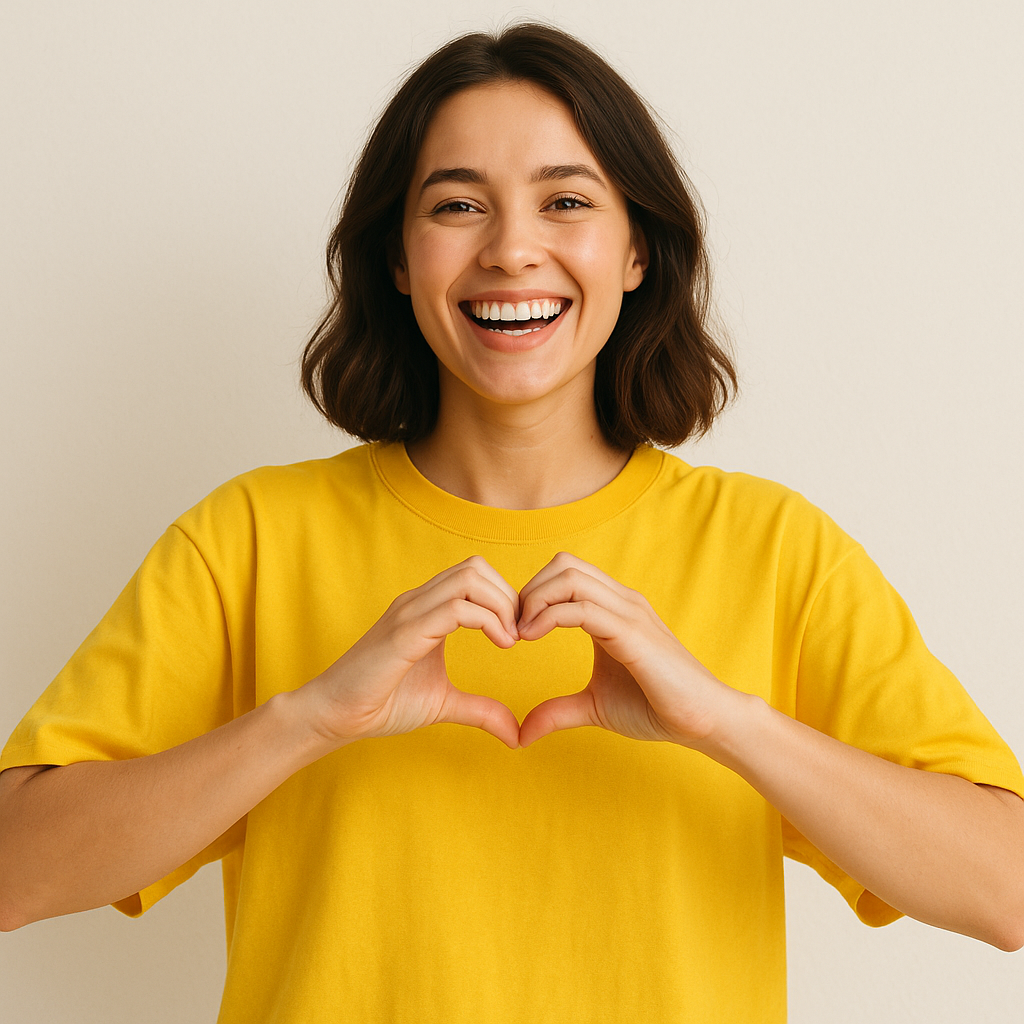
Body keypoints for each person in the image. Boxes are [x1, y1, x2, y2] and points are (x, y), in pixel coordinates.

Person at [1, 21, 1022, 1024]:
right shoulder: (249, 538)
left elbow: (1005, 888)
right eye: (457, 206)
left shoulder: (776, 550)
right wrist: (309, 718)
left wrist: (723, 721)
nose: (512, 251)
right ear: (398, 258)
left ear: (637, 250)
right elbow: (14, 870)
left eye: (565, 200)